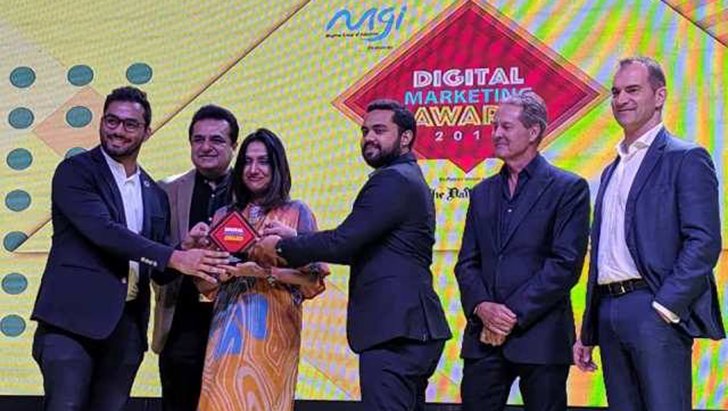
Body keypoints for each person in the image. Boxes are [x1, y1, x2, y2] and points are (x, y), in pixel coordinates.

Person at [30, 86, 228, 411]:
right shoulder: (76, 171)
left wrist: (183, 248)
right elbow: (104, 232)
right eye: (112, 121)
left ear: (147, 132)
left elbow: (158, 273)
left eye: (130, 124)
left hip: (126, 329)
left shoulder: (155, 193)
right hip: (71, 324)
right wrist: (175, 256)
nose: (118, 130)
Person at [255, 100, 452, 411]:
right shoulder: (406, 177)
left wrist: (280, 248)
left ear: (406, 137)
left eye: (379, 130)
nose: (369, 137)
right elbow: (363, 245)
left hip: (395, 330)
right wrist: (297, 237)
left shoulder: (393, 180)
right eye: (365, 131)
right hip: (408, 329)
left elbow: (343, 243)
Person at [574, 57, 725, 410]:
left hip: (653, 307)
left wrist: (666, 306)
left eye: (632, 90)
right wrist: (589, 328)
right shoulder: (611, 170)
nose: (621, 99)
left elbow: (704, 241)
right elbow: (604, 252)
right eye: (615, 92)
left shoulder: (686, 157)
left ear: (660, 96)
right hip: (609, 310)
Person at [454, 92, 590, 411]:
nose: (497, 134)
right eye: (494, 126)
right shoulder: (482, 192)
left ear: (533, 132)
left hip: (541, 337)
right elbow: (467, 263)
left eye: (506, 126)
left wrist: (507, 315)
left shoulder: (568, 188)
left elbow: (565, 265)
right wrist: (483, 307)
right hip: (483, 340)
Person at [193, 128, 329, 411]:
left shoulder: (297, 212)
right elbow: (205, 286)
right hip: (227, 334)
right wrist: (214, 266)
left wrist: (268, 271)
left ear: (277, 166)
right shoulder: (224, 215)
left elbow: (313, 281)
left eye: (263, 161)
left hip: (274, 337)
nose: (254, 169)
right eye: (247, 161)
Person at [152, 105, 239, 411]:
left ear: (234, 145)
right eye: (198, 139)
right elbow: (154, 258)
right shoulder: (165, 190)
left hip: (237, 321)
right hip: (182, 320)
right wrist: (182, 249)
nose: (206, 147)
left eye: (216, 140)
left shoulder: (253, 190)